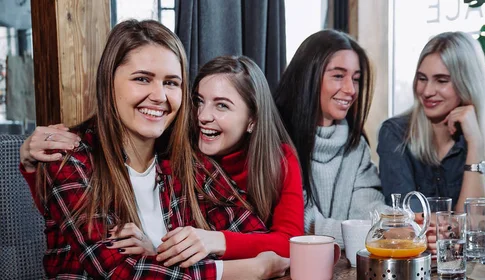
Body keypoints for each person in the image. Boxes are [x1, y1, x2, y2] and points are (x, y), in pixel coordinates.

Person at [15, 20, 288, 280]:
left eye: (171, 82)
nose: (159, 95)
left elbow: (259, 237)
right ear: (110, 82)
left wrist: (163, 251)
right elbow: (122, 276)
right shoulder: (71, 158)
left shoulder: (185, 164)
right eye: (142, 79)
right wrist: (236, 270)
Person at [19, 57, 304, 262]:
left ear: (252, 119)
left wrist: (213, 241)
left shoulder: (276, 159)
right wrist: (33, 167)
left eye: (222, 106)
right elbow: (71, 212)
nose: (203, 116)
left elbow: (291, 243)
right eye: (198, 101)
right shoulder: (178, 149)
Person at [273, 29, 384, 246]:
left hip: (342, 268)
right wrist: (380, 234)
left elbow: (368, 206)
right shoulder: (276, 139)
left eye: (356, 79)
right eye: (338, 76)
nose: (351, 89)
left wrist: (399, 223)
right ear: (309, 76)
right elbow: (305, 225)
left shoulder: (356, 145)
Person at [377, 31, 485, 213]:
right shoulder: (396, 133)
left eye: (441, 80)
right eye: (422, 79)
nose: (427, 91)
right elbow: (408, 221)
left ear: (467, 84)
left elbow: (476, 225)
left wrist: (475, 143)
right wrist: (455, 225)